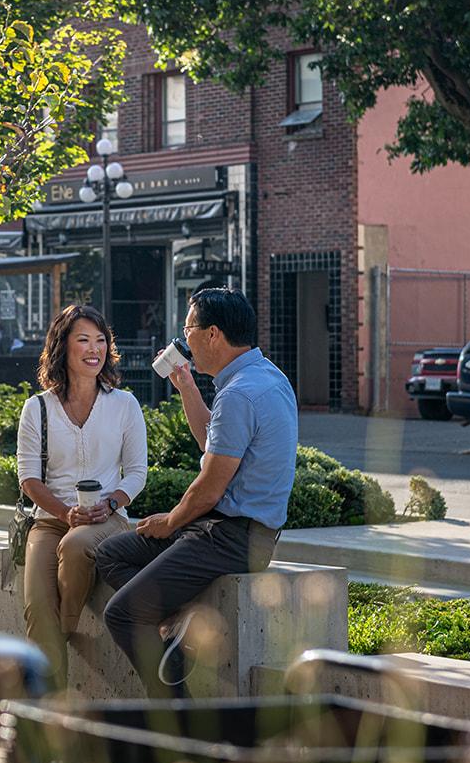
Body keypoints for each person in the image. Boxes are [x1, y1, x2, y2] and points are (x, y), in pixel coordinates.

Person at [94, 287, 297, 697]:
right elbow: (211, 442)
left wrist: (170, 522)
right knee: (110, 554)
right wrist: (185, 382)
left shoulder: (239, 393)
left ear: (213, 335)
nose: (184, 339)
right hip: (228, 531)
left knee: (123, 615)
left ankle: (174, 714)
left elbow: (209, 487)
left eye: (188, 329)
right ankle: (175, 623)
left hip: (232, 538)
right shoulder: (265, 377)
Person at [17, 303, 148, 680]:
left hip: (107, 520)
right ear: (63, 346)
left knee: (76, 547)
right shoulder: (37, 408)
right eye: (84, 340)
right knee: (36, 606)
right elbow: (29, 480)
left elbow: (137, 473)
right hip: (51, 521)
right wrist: (65, 514)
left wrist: (110, 503)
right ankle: (47, 706)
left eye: (101, 340)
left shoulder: (124, 405)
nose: (95, 349)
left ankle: (63, 629)